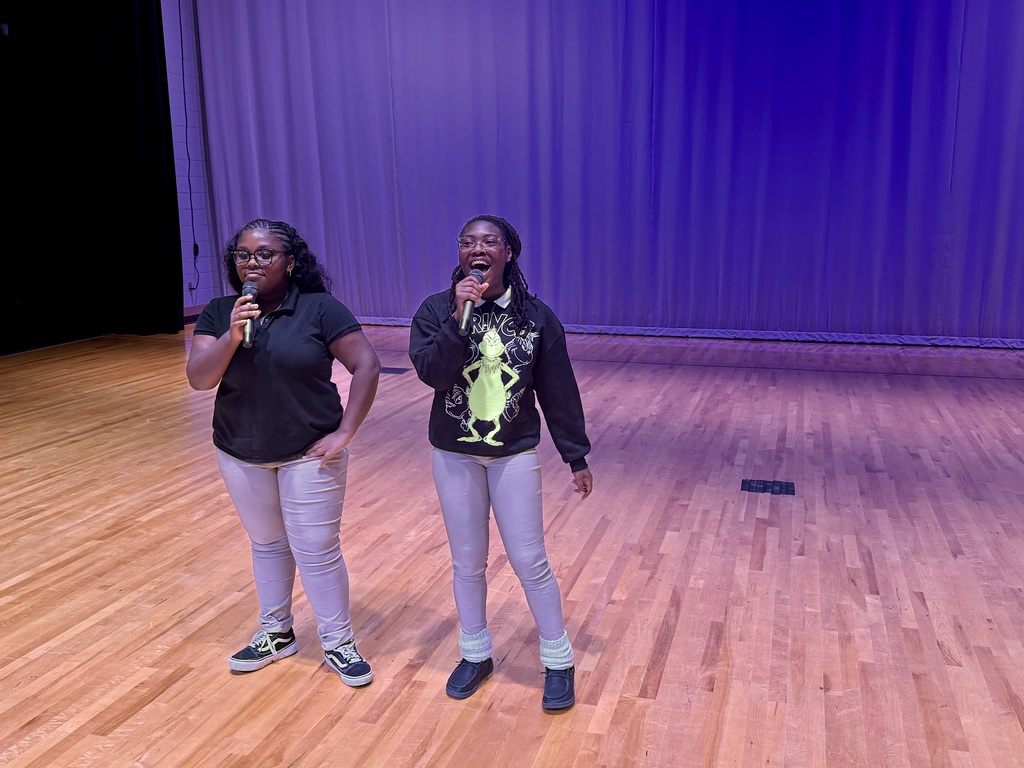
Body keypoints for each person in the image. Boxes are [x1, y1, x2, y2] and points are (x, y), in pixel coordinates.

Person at [408, 214, 594, 711]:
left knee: (529, 559)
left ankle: (558, 660)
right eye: (467, 241)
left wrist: (575, 455)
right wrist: (459, 318)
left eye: (489, 240)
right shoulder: (437, 310)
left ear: (508, 253)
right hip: (454, 455)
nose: (477, 247)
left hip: (513, 455)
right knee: (467, 562)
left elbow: (559, 391)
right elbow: (432, 371)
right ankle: (475, 652)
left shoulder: (536, 317)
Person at [186, 217, 381, 687]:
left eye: (265, 254)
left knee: (315, 549)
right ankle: (277, 633)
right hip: (239, 448)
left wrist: (345, 432)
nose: (252, 263)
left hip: (308, 451)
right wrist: (234, 335)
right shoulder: (220, 312)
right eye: (243, 255)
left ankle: (337, 640)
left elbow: (367, 365)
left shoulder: (319, 309)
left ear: (290, 262)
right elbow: (199, 378)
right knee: (268, 544)